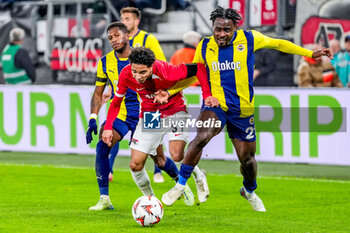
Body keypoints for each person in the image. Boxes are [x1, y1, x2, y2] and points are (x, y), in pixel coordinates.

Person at [159, 6, 334, 211]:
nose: (221, 34)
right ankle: (180, 185)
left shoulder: (250, 39)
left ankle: (249, 190)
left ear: (235, 27)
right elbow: (195, 73)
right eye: (217, 29)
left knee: (247, 160)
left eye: (226, 30)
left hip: (242, 109)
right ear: (212, 27)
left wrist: (310, 53)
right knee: (202, 136)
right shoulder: (205, 46)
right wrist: (170, 92)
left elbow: (278, 43)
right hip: (215, 104)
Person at [101, 47, 219, 205]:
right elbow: (116, 102)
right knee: (135, 165)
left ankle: (198, 175)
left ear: (151, 66)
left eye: (142, 72)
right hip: (151, 115)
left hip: (174, 110)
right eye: (135, 71)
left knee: (176, 155)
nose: (137, 77)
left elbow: (199, 68)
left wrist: (206, 96)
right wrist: (108, 126)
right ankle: (151, 202)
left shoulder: (167, 70)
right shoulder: (126, 73)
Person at [119, 6, 164, 183]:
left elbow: (160, 63)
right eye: (122, 19)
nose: (124, 22)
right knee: (110, 130)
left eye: (127, 19)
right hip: (128, 95)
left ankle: (158, 171)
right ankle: (109, 172)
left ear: (137, 21)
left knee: (154, 134)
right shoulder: (119, 40)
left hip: (149, 96)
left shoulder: (147, 39)